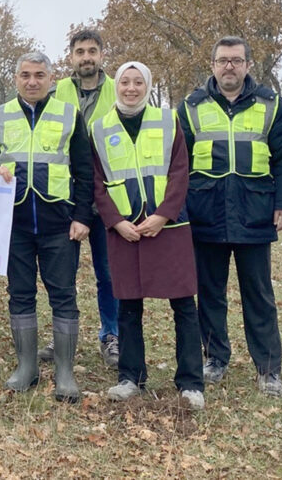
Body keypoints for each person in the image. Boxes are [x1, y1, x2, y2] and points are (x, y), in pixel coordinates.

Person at [177, 37, 282, 397]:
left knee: (258, 294)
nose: (230, 66)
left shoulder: (271, 104)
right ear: (212, 65)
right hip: (205, 213)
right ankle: (215, 358)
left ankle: (269, 368)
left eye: (236, 60)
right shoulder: (191, 106)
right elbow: (179, 164)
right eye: (223, 60)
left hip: (254, 213)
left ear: (247, 65)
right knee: (210, 292)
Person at [0, 51, 94, 403]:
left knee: (64, 294)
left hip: (60, 222)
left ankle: (64, 371)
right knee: (21, 293)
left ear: (50, 78)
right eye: (25, 75)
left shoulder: (69, 114)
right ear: (16, 79)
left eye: (39, 75)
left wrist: (82, 217)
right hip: (15, 224)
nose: (32, 81)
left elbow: (85, 172)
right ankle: (27, 366)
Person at [92, 62, 205, 411]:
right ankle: (130, 378)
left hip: (167, 227)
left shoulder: (168, 120)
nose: (130, 88)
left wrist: (163, 215)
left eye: (137, 82)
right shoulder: (98, 129)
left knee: (184, 305)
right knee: (128, 306)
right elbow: (95, 182)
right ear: (116, 86)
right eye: (124, 81)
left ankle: (190, 382)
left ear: (148, 85)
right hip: (124, 231)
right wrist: (115, 221)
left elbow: (180, 171)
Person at [47, 28, 120, 369]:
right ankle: (63, 334)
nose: (86, 57)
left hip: (108, 197)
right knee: (63, 274)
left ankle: (112, 335)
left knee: (109, 274)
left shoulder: (119, 88)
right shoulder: (57, 90)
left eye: (92, 51)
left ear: (101, 55)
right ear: (71, 56)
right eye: (80, 51)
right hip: (67, 196)